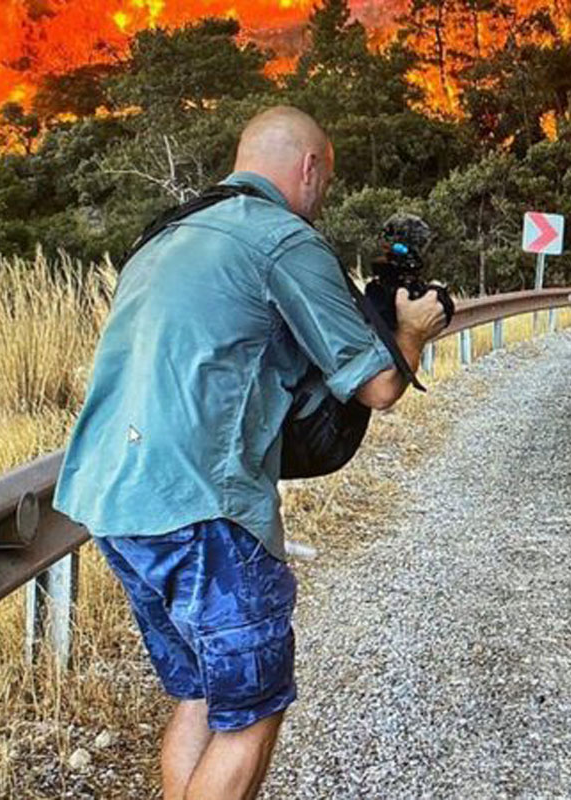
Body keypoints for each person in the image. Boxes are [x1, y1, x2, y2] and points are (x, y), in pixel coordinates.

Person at [53, 106, 447, 800]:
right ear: (310, 168)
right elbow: (379, 385)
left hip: (111, 501)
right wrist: (412, 330)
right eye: (326, 180)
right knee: (251, 715)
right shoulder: (281, 239)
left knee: (204, 697)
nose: (323, 197)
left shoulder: (164, 235)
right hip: (204, 510)